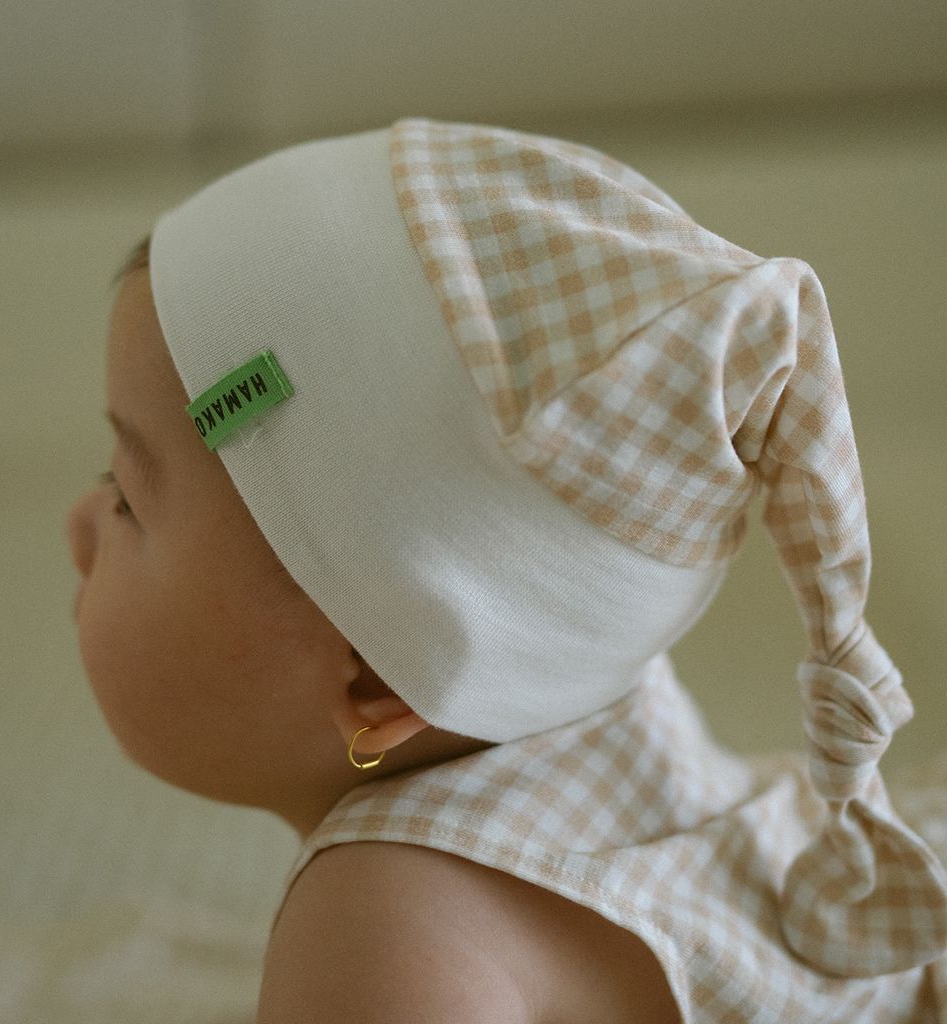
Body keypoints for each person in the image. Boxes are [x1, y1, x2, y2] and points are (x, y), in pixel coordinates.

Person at [66, 116, 947, 1022]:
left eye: (126, 497)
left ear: (375, 673)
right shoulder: (586, 689)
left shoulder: (380, 927)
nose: (76, 528)